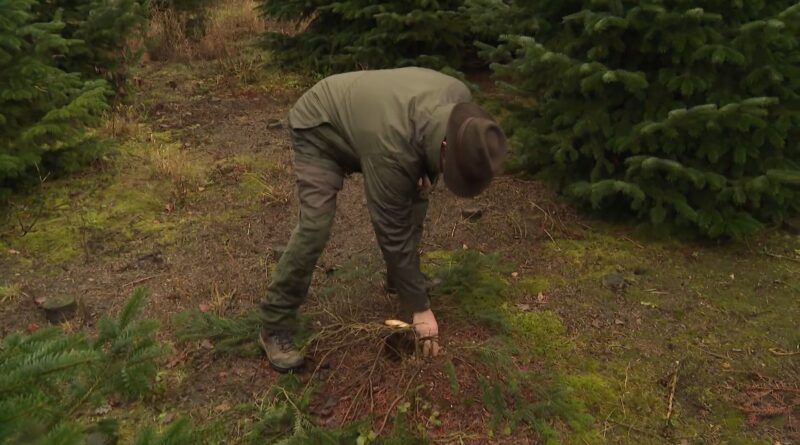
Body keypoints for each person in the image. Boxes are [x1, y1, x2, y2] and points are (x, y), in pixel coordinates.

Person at [259, 67, 508, 372]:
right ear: (446, 147)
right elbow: (390, 226)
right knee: (316, 225)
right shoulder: (393, 146)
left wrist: (427, 170)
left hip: (373, 126)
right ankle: (274, 323)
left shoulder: (460, 104)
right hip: (320, 126)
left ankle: (400, 280)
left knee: (417, 199)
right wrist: (420, 309)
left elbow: (427, 140)